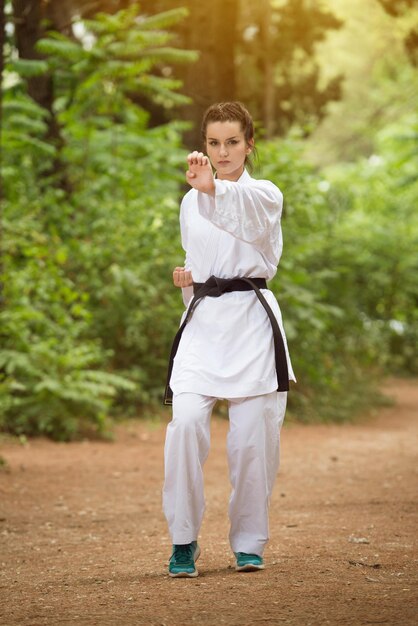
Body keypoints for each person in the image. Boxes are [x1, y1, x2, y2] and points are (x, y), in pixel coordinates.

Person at [162, 101, 296, 578]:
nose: (223, 152)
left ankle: (248, 542)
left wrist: (213, 189)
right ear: (205, 143)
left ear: (249, 144)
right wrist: (189, 279)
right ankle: (183, 541)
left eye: (232, 142)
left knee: (251, 440)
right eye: (214, 143)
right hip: (204, 323)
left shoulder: (264, 193)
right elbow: (199, 256)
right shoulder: (188, 200)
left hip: (252, 323)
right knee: (185, 424)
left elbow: (250, 223)